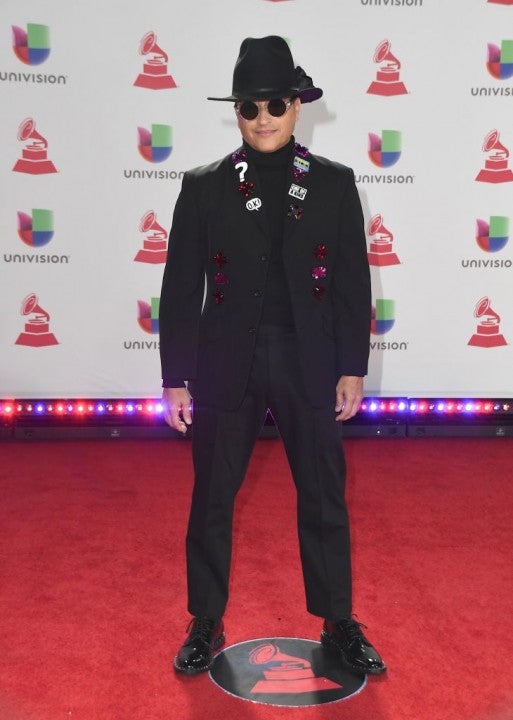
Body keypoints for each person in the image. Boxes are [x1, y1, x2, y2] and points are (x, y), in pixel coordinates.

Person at [159, 35, 386, 677]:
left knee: (323, 496)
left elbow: (351, 283)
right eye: (250, 107)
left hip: (308, 361)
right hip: (226, 362)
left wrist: (353, 365)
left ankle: (338, 621)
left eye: (276, 105)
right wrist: (175, 377)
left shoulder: (335, 183)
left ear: (297, 106)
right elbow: (181, 288)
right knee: (212, 496)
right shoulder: (203, 187)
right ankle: (205, 619)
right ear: (237, 112)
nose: (263, 118)